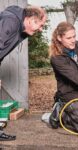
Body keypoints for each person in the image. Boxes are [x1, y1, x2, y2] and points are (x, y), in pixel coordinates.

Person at [0, 5, 47, 141]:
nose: (41, 29)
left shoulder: (21, 29)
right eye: (41, 25)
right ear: (31, 20)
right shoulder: (10, 21)